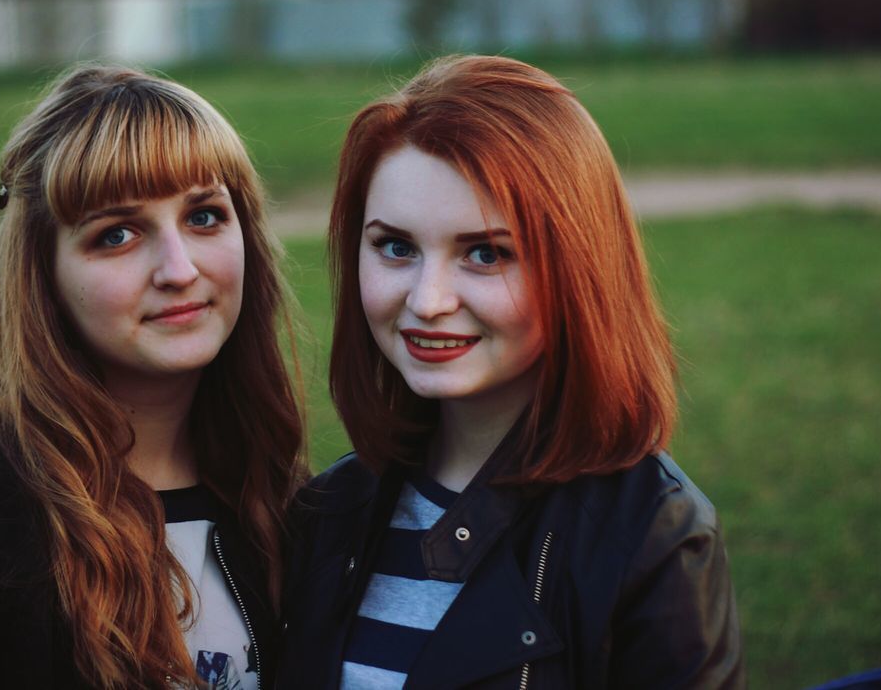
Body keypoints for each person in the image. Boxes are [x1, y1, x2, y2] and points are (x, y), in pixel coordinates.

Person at [0, 64, 306, 689]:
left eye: (204, 217)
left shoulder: (283, 500)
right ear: (44, 275)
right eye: (116, 234)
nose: (179, 269)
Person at [279, 55, 742, 688]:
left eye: (486, 252)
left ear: (578, 267)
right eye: (396, 246)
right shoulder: (324, 512)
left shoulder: (653, 536)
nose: (428, 300)